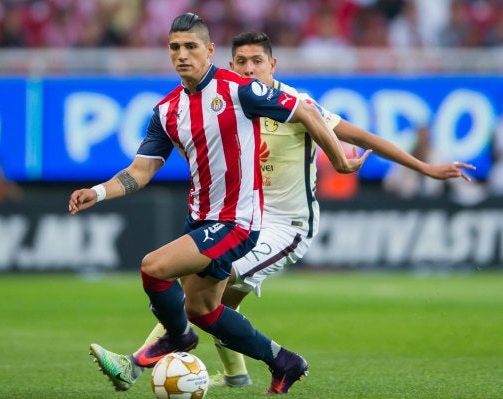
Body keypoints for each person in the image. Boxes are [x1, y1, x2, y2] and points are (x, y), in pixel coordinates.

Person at [85, 29, 477, 392]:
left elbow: (360, 135)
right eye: (242, 61)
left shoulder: (296, 104)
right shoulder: (232, 100)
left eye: (258, 60)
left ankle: (135, 365)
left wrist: (422, 167)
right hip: (241, 217)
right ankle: (242, 372)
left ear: (272, 65)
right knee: (212, 304)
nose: (249, 67)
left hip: (286, 228)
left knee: (197, 289)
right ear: (230, 64)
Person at [69, 14, 369, 395]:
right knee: (203, 311)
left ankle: (170, 343)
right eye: (175, 47)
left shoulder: (239, 90)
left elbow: (306, 111)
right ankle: (284, 362)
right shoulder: (166, 111)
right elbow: (140, 172)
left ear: (209, 50)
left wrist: (341, 163)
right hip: (200, 220)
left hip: (237, 222)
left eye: (191, 47)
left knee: (154, 268)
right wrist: (97, 192)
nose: (182, 55)